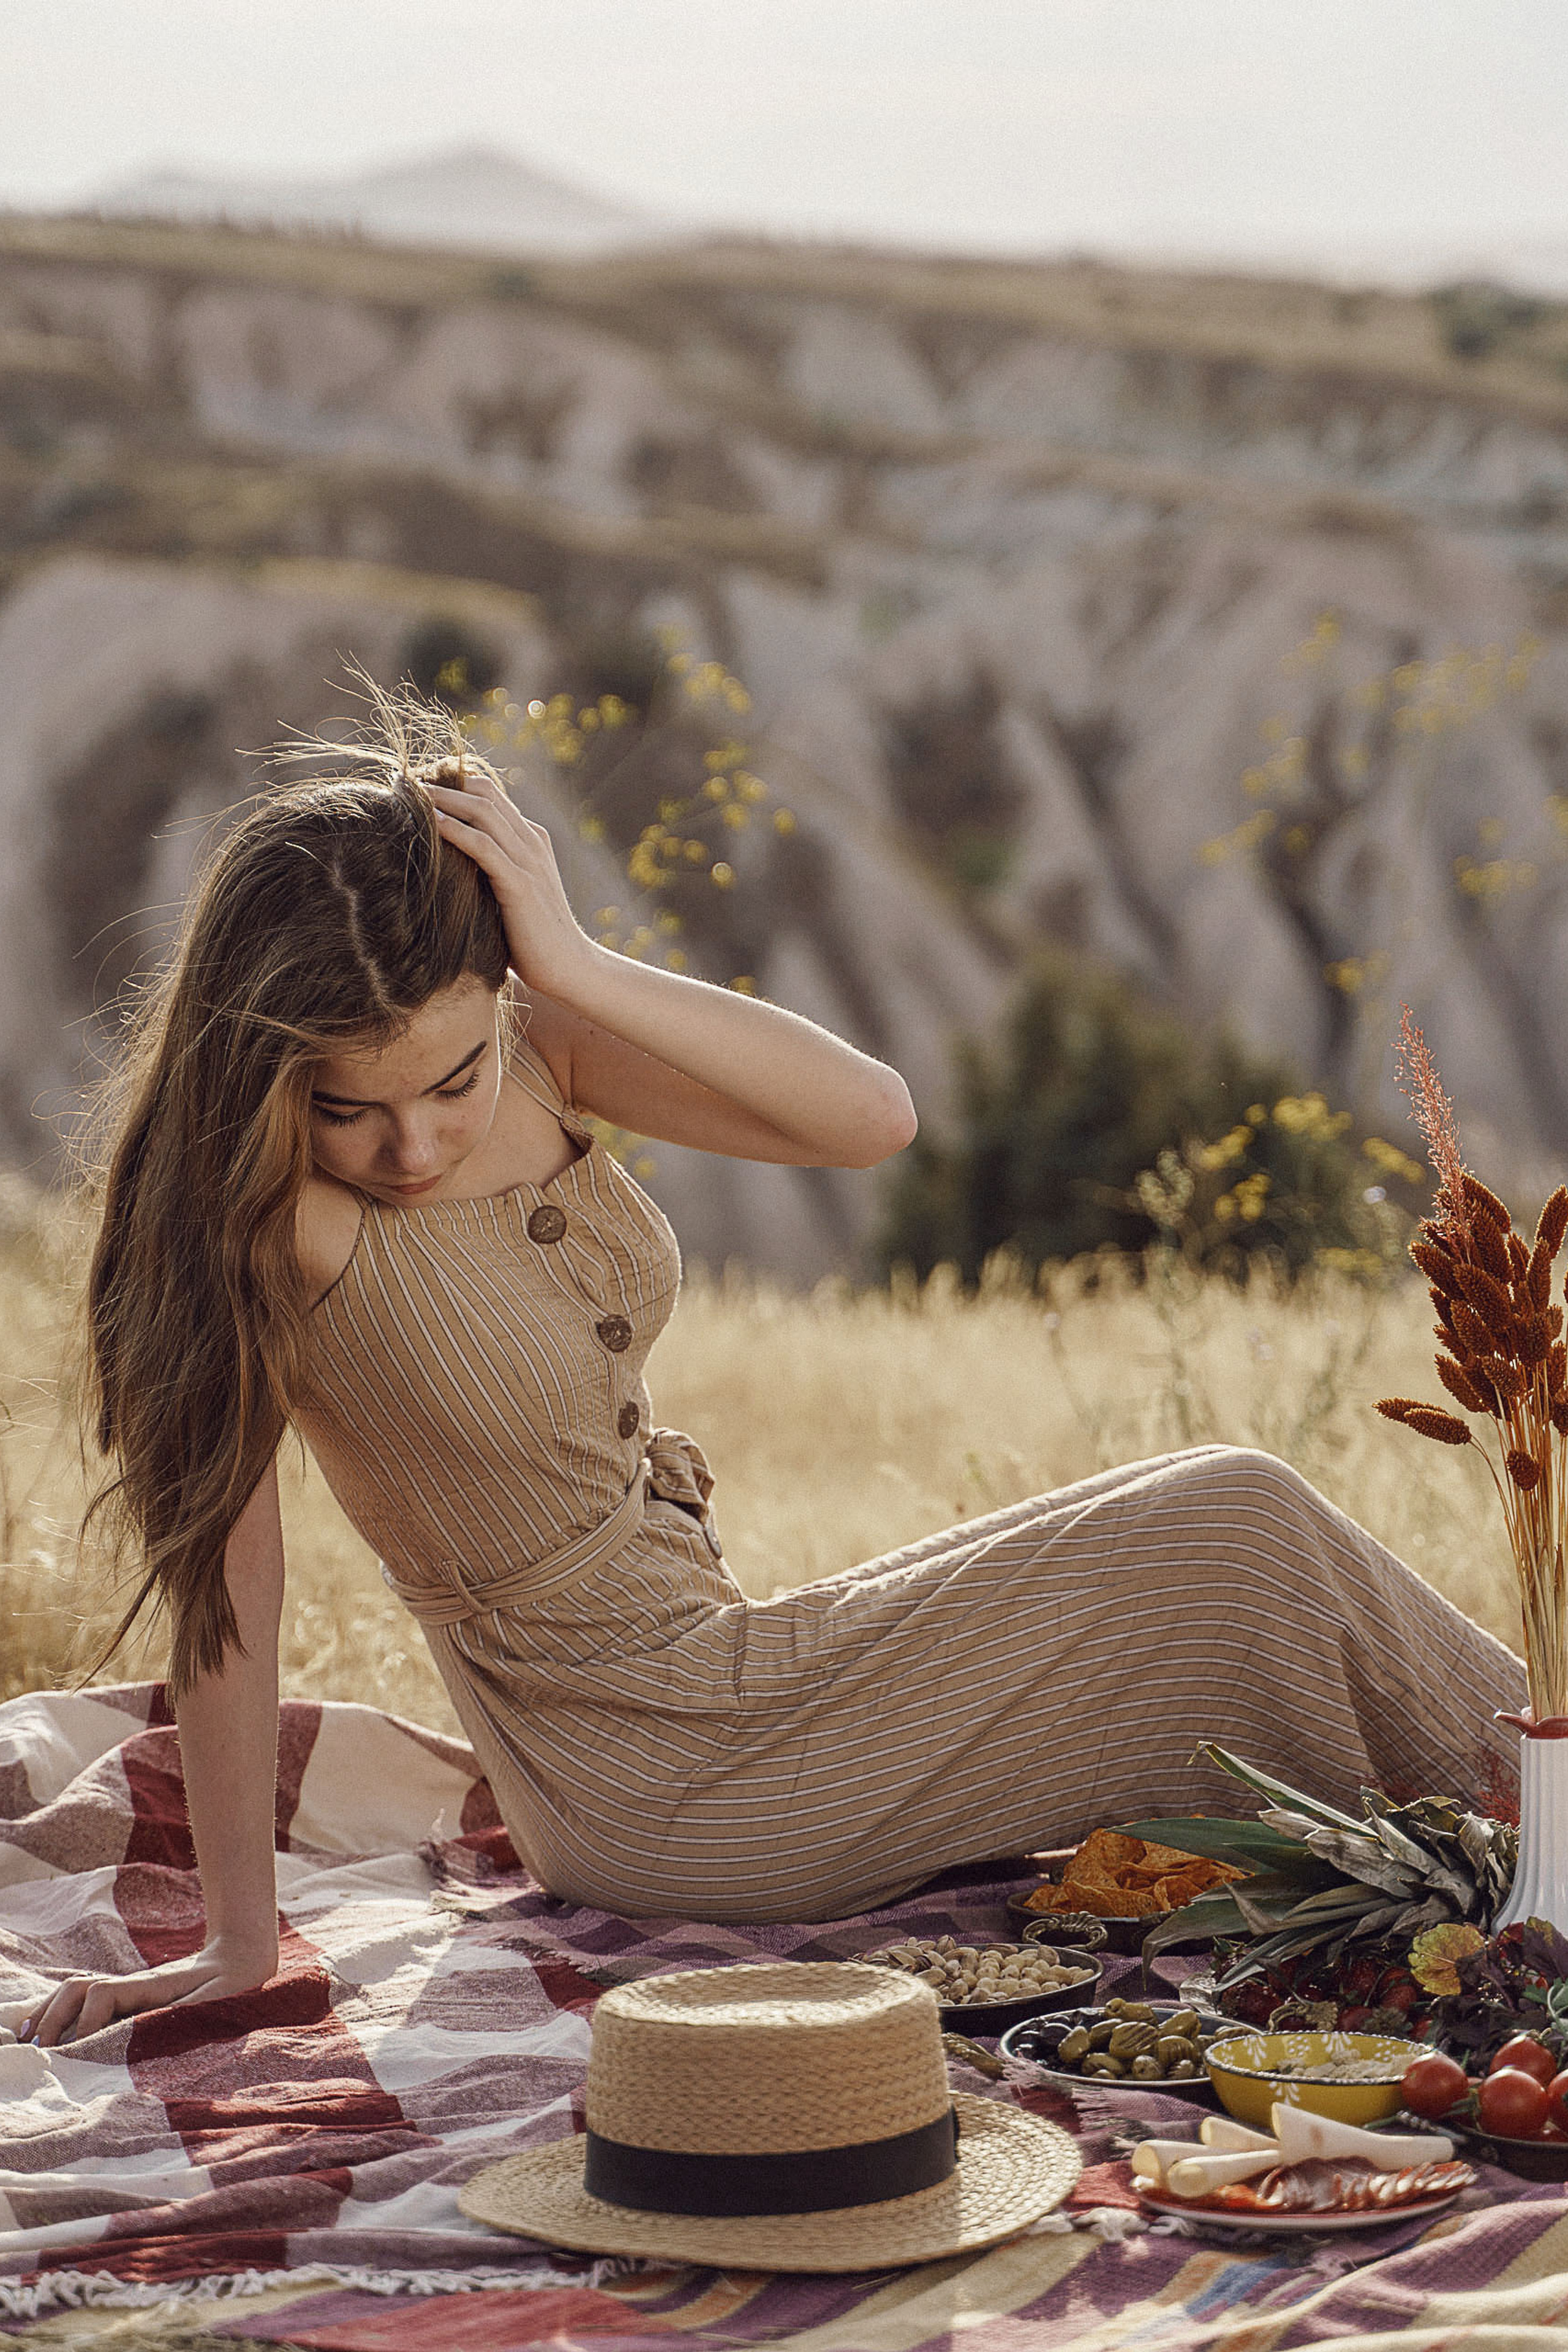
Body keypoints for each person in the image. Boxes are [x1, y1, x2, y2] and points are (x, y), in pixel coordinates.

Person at [24, 695, 1526, 2048]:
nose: (411, 1147)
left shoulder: (545, 1049)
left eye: (450, 1078)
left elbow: (865, 1119)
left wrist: (578, 961)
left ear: (498, 998)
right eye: (350, 1107)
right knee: (1235, 1521)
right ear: (267, 1060)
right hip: (656, 1786)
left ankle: (1534, 1855)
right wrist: (236, 1944)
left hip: (730, 1685)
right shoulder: (264, 1223)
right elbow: (231, 1594)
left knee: (1229, 1534)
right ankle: (1552, 1835)